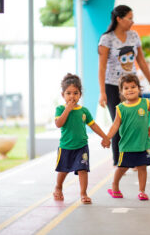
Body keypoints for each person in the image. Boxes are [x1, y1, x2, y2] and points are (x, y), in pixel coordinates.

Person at [98, 5, 150, 167]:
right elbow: (101, 67)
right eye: (129, 18)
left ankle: (136, 159)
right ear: (119, 19)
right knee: (119, 122)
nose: (132, 21)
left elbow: (141, 61)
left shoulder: (134, 36)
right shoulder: (106, 39)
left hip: (133, 86)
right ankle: (119, 161)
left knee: (137, 122)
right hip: (113, 86)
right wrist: (102, 92)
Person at [54, 73, 110, 204]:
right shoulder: (60, 109)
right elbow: (58, 124)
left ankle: (83, 193)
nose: (72, 96)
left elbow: (93, 125)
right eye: (68, 93)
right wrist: (67, 109)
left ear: (80, 95)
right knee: (63, 170)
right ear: (63, 95)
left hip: (82, 146)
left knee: (82, 169)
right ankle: (58, 186)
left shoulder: (84, 111)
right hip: (66, 146)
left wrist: (105, 137)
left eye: (75, 93)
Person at [106, 74, 150, 201]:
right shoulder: (120, 108)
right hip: (127, 145)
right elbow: (115, 126)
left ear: (139, 88)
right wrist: (107, 138)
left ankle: (142, 191)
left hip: (142, 144)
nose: (130, 90)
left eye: (133, 87)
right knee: (123, 167)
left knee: (142, 167)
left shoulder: (145, 103)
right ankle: (115, 185)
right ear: (121, 91)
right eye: (126, 88)